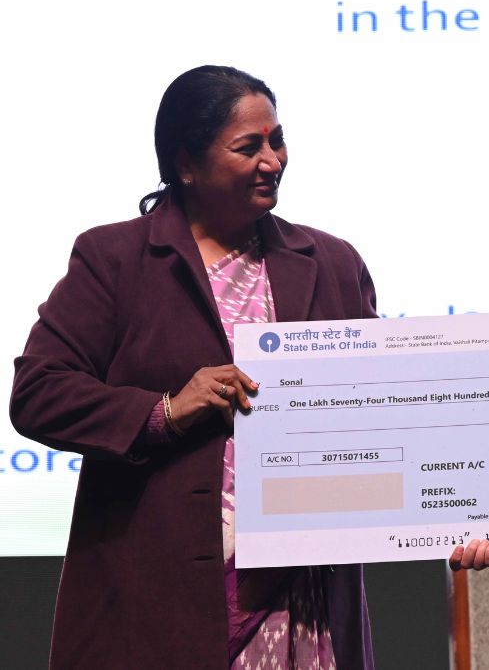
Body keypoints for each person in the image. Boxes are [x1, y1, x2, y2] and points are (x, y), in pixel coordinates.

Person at [9, 65, 380, 669]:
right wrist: (165, 412)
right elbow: (39, 393)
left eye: (278, 140)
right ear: (186, 163)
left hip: (300, 594)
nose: (273, 161)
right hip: (160, 597)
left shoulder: (332, 263)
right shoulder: (116, 259)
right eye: (249, 146)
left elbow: (384, 415)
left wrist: (449, 518)